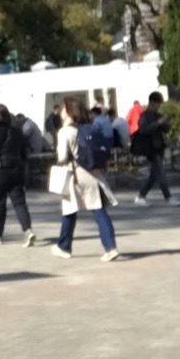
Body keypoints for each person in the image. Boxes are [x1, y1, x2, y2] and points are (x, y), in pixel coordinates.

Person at [51, 97, 120, 261]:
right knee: (99, 210)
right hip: (92, 173)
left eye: (64, 108)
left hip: (75, 174)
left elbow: (62, 156)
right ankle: (110, 247)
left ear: (69, 112)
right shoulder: (90, 128)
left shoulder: (65, 132)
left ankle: (64, 246)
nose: (61, 111)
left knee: (69, 210)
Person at [0, 104, 35, 247]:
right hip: (16, 169)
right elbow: (24, 153)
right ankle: (28, 230)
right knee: (19, 202)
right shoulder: (17, 131)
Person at [131, 91, 180, 207]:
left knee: (154, 175)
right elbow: (143, 130)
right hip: (150, 149)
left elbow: (165, 129)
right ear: (152, 103)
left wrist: (165, 123)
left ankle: (141, 196)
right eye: (157, 104)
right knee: (161, 173)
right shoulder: (145, 116)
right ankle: (168, 197)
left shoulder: (158, 115)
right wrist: (158, 123)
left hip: (159, 147)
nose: (158, 107)